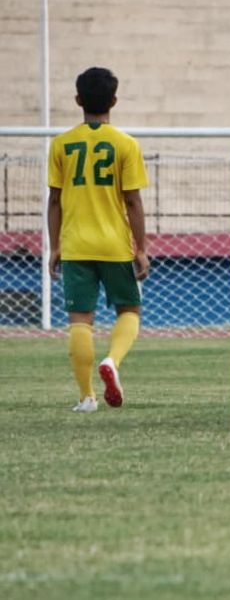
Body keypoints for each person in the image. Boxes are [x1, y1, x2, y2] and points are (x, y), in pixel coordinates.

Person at [47, 67, 150, 412]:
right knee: (129, 309)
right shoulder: (125, 144)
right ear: (114, 101)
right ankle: (113, 361)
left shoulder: (61, 144)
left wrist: (55, 246)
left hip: (76, 244)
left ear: (78, 100)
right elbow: (133, 201)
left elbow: (54, 200)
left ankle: (86, 396)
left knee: (80, 319)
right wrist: (143, 248)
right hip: (114, 244)